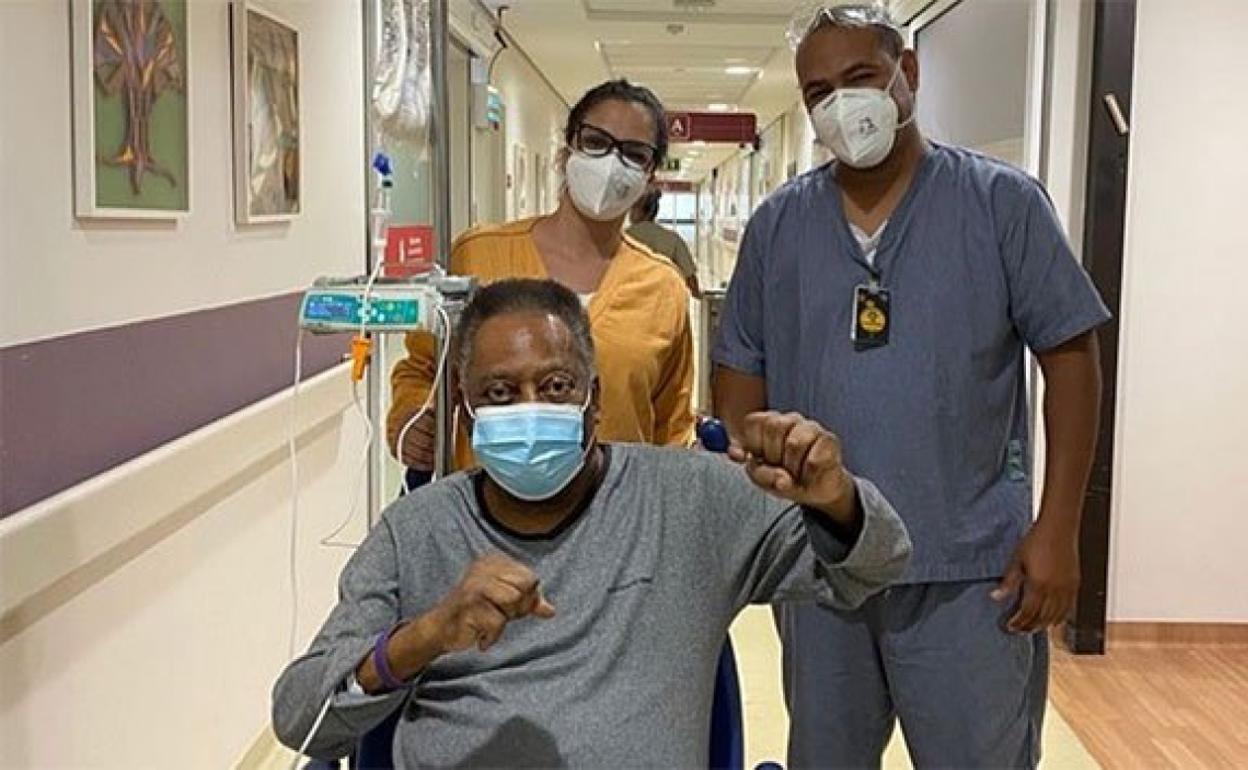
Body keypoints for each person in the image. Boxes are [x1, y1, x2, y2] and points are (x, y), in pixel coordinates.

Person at [272, 279, 912, 767]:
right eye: (499, 394)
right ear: (466, 414)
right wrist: (426, 636)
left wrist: (836, 498)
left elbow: (880, 564)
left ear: (594, 399)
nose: (530, 410)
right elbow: (301, 718)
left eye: (555, 386)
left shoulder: (693, 499)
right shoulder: (416, 530)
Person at [711, 5, 1111, 769]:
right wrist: (763, 493)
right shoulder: (779, 226)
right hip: (825, 567)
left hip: (971, 571)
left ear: (909, 73)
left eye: (860, 77)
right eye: (819, 92)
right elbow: (740, 374)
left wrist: (1059, 527)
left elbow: (1071, 359)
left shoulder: (1000, 204)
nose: (841, 105)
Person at [388, 80, 694, 482]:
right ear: (567, 149)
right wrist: (411, 420)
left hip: (615, 509)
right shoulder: (479, 256)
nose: (611, 163)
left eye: (634, 154)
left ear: (650, 174)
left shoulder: (662, 288)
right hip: (483, 504)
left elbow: (672, 431)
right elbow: (423, 370)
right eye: (596, 142)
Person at [628, 187, 701, 298]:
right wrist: (697, 294)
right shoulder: (672, 238)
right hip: (664, 299)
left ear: (640, 211)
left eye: (632, 209)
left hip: (631, 299)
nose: (630, 214)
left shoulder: (623, 237)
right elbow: (690, 277)